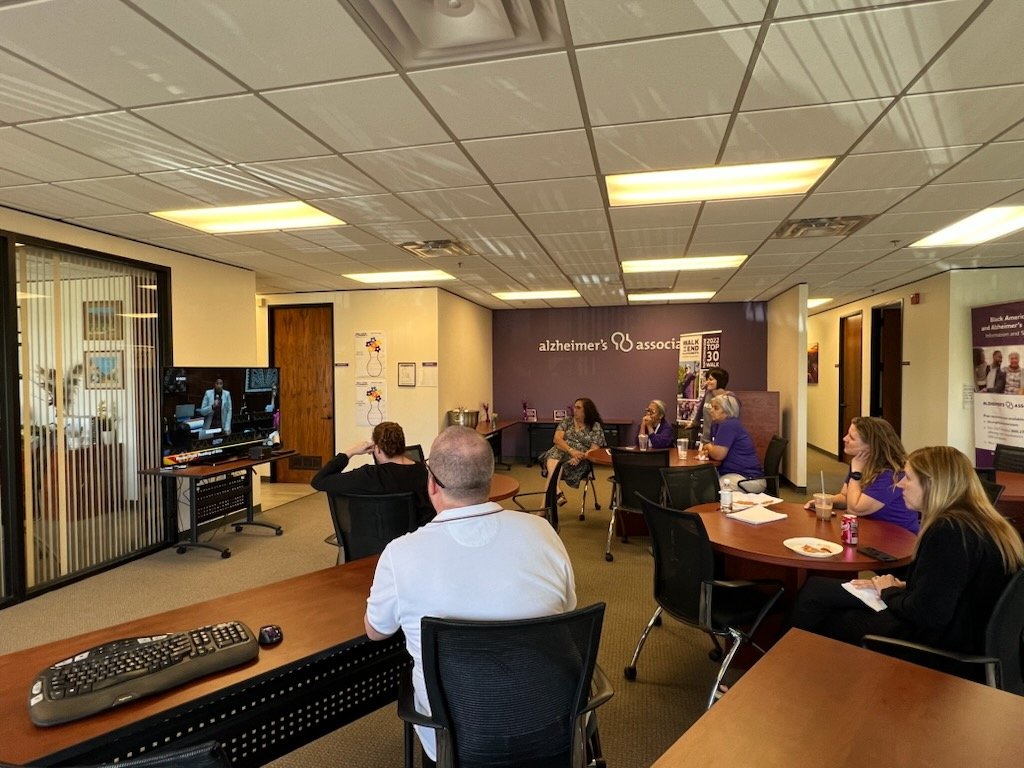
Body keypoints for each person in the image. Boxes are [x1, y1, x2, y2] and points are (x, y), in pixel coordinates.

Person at [363, 426, 576, 767]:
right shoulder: (543, 532)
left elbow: (376, 631)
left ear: (432, 485)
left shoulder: (400, 554)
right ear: (490, 480)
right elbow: (566, 611)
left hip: (455, 739)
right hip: (550, 725)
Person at [790, 446, 1024, 655]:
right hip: (967, 631)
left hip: (942, 643)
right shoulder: (981, 523)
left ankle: (787, 665)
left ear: (931, 484)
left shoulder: (949, 531)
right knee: (817, 588)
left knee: (828, 611)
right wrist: (902, 586)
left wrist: (889, 591)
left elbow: (928, 614)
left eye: (908, 478)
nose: (900, 483)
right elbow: (953, 586)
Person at [803, 416, 918, 533]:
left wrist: (856, 473)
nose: (844, 439)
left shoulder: (891, 475)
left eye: (852, 438)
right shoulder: (860, 463)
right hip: (871, 531)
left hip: (897, 537)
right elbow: (846, 497)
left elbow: (855, 508)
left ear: (871, 446)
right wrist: (827, 501)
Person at [311, 421, 432, 526]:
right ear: (402, 445)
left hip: (375, 539)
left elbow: (319, 480)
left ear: (377, 449)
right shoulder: (422, 471)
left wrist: (350, 452)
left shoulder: (369, 475)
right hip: (416, 539)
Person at [541, 397, 606, 494]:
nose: (574, 410)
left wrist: (579, 457)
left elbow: (594, 450)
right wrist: (571, 451)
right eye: (574, 407)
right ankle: (556, 492)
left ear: (587, 410)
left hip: (579, 460)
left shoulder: (595, 426)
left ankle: (552, 498)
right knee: (556, 454)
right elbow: (557, 439)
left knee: (555, 470)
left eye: (578, 408)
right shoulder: (567, 421)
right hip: (561, 452)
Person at [704, 393, 765, 492]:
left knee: (710, 492)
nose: (711, 410)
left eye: (716, 408)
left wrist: (708, 447)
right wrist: (711, 449)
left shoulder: (728, 425)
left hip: (748, 478)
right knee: (704, 485)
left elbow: (718, 455)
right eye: (712, 407)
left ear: (727, 411)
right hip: (737, 475)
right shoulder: (719, 425)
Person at [682, 367, 731, 444]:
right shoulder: (708, 394)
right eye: (707, 379)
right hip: (706, 440)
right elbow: (700, 411)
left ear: (720, 381)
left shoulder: (728, 398)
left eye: (711, 379)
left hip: (720, 441)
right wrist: (693, 423)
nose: (707, 382)